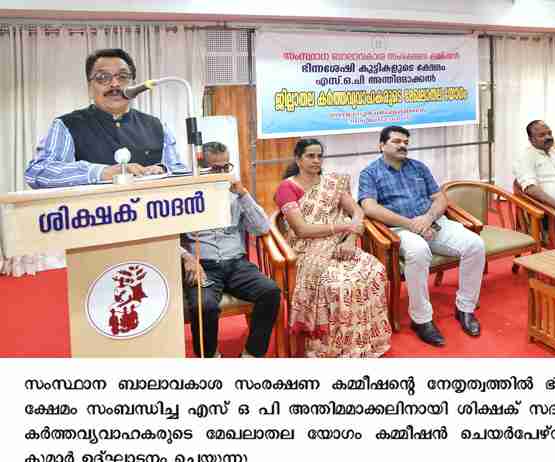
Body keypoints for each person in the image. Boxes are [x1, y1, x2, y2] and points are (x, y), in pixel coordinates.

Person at [359, 125, 485, 347]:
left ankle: (465, 308)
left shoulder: (418, 167)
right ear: (382, 145)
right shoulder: (369, 173)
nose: (403, 146)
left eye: (406, 142)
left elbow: (440, 198)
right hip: (398, 229)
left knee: (475, 244)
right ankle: (421, 319)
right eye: (397, 141)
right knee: (418, 251)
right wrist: (411, 224)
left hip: (433, 223)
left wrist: (427, 219)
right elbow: (369, 207)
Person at [274, 138, 392, 357]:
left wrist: (350, 239)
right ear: (298, 159)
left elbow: (357, 212)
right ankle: (330, 347)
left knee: (374, 271)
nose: (316, 160)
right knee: (338, 285)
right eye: (310, 156)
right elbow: (301, 229)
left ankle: (363, 342)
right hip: (306, 249)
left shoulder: (332, 183)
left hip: (340, 245)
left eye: (319, 156)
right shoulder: (287, 188)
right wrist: (344, 226)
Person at [25, 48, 187, 188]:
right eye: (103, 77)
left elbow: (180, 171)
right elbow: (37, 172)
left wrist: (162, 170)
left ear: (133, 85)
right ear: (90, 87)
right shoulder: (67, 125)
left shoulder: (156, 125)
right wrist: (102, 172)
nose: (115, 84)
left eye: (122, 76)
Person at [181, 142, 281, 358]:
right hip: (204, 266)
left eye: (225, 167)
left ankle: (252, 354)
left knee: (271, 291)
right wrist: (186, 256)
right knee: (204, 305)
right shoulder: (185, 197)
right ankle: (210, 357)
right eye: (215, 168)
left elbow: (262, 228)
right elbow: (169, 237)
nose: (221, 173)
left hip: (237, 264)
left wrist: (243, 194)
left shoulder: (235, 195)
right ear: (200, 168)